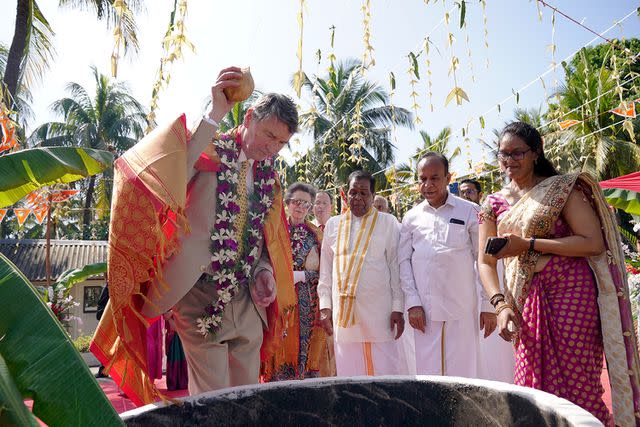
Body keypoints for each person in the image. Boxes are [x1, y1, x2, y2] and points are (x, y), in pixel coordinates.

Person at [90, 67, 298, 405]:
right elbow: (173, 173)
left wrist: (263, 272)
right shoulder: (209, 148)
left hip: (245, 298)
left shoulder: (270, 180)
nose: (272, 148)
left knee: (248, 396)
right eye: (269, 135)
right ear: (249, 117)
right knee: (214, 397)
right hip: (198, 290)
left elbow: (264, 243)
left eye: (281, 143)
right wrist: (216, 113)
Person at [477, 122, 640, 425]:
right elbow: (485, 262)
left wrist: (528, 244)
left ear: (536, 152)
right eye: (503, 154)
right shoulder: (493, 203)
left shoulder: (562, 188)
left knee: (580, 384)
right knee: (532, 388)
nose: (509, 161)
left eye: (517, 153)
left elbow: (592, 242)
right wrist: (500, 306)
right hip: (523, 299)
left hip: (572, 294)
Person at [399, 152, 495, 378]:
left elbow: (484, 260)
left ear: (448, 178)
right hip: (425, 312)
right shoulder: (411, 217)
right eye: (422, 179)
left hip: (461, 308)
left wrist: (488, 306)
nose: (428, 184)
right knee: (428, 376)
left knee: (464, 375)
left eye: (435, 178)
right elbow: (403, 262)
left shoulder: (469, 211)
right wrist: (412, 303)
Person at [318, 170, 405, 376]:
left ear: (373, 196)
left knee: (386, 374)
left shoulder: (388, 222)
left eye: (364, 193)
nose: (357, 198)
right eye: (353, 192)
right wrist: (325, 306)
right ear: (345, 194)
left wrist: (398, 307)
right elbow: (326, 270)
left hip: (380, 314)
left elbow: (395, 266)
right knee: (350, 376)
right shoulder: (333, 225)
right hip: (345, 317)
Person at [263, 182, 328, 380]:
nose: (300, 207)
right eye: (296, 202)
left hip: (306, 304)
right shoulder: (275, 230)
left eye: (306, 204)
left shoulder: (316, 235)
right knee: (278, 344)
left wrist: (302, 276)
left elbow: (326, 273)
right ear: (288, 203)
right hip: (278, 299)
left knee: (304, 349)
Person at [458, 178, 515, 383]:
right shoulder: (459, 213)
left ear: (480, 195)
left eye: (470, 191)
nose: (465, 195)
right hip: (466, 294)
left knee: (493, 351)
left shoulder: (488, 215)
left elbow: (492, 260)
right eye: (462, 191)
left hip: (490, 292)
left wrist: (491, 304)